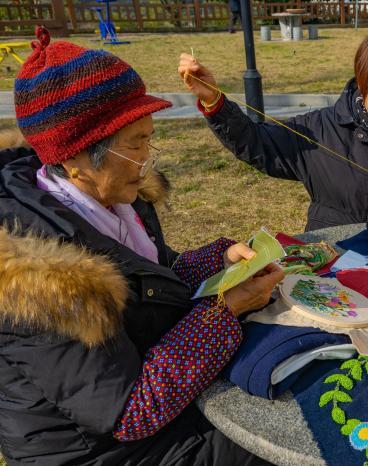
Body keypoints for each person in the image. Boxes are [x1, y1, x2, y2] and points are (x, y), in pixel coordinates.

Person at [0, 27, 282, 465]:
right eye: (136, 145)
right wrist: (225, 311)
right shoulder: (39, 277)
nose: (147, 159)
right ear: (75, 160)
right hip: (104, 451)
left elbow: (149, 287)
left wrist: (218, 260)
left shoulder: (113, 203)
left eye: (149, 139)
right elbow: (131, 410)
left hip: (151, 416)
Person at [178, 30, 368, 231]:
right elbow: (256, 144)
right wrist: (214, 101)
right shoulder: (318, 129)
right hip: (334, 263)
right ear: (363, 81)